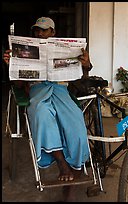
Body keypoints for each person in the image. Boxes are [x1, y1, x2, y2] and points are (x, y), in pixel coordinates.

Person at [3, 17, 93, 182]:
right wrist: (12, 65)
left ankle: (76, 163)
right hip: (37, 89)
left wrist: (86, 64)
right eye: (37, 30)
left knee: (75, 118)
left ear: (53, 32)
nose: (40, 33)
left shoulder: (64, 48)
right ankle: (61, 162)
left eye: (44, 30)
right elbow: (18, 83)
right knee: (41, 113)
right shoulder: (26, 49)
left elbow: (82, 75)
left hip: (60, 89)